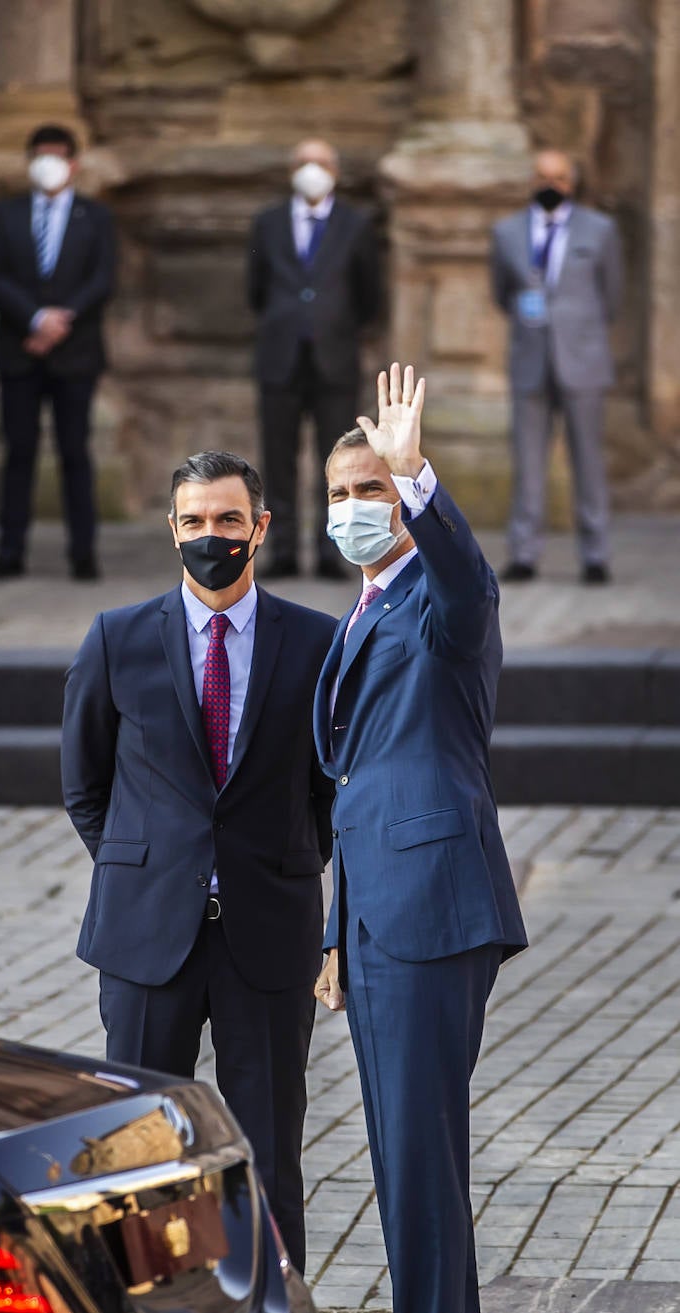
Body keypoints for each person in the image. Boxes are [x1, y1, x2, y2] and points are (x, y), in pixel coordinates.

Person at [62, 451, 338, 1273]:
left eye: (226, 520)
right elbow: (86, 785)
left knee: (268, 1157)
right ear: (171, 530)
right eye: (193, 522)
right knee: (141, 1155)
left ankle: (269, 1296)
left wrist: (287, 864)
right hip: (148, 941)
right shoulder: (117, 639)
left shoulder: (318, 641)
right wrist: (151, 873)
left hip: (269, 937)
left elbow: (331, 785)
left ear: (259, 528)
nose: (209, 536)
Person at [312, 362, 528, 1313]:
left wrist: (418, 477)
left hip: (432, 912)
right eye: (342, 494)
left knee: (420, 1152)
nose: (357, 507)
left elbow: (471, 589)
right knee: (403, 1153)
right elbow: (357, 782)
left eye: (372, 491)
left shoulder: (437, 604)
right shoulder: (361, 608)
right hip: (374, 920)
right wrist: (334, 931)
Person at [0, 124, 116, 582]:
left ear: (73, 164)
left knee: (75, 451)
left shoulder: (95, 217)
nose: (48, 164)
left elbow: (103, 278)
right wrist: (35, 319)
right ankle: (9, 550)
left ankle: (83, 553)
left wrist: (61, 319)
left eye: (57, 156)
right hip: (19, 349)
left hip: (75, 353)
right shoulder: (7, 214)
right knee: (18, 452)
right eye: (40, 155)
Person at [246, 138, 382, 580]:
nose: (312, 170)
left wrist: (334, 323)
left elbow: (370, 296)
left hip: (334, 357)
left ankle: (331, 552)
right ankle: (281, 549)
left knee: (337, 460)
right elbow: (256, 289)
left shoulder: (355, 225)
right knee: (278, 457)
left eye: (321, 163)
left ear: (336, 172)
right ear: (291, 169)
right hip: (280, 356)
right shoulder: (267, 223)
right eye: (304, 162)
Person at [490, 150, 622, 584]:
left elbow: (613, 295)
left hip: (583, 361)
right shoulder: (507, 232)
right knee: (527, 463)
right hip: (530, 360)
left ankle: (595, 554)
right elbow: (501, 293)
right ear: (532, 179)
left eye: (560, 177)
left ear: (572, 181)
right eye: (544, 176)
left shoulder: (599, 230)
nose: (552, 184)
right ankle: (524, 553)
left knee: (588, 460)